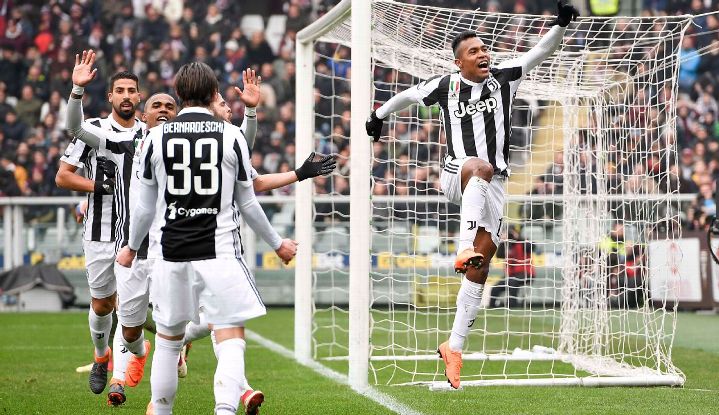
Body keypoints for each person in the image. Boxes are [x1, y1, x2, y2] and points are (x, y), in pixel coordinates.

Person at [365, 1, 579, 389]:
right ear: (459, 63)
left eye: (483, 49)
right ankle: (463, 247)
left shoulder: (505, 77)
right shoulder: (445, 85)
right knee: (478, 167)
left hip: (494, 186)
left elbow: (542, 51)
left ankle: (454, 347)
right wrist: (377, 115)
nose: (483, 54)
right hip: (457, 173)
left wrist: (561, 24)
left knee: (480, 269)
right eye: (473, 52)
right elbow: (408, 97)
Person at [116, 62, 297, 415]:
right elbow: (247, 201)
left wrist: (131, 248)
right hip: (220, 253)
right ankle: (225, 410)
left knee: (168, 343)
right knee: (230, 337)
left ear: (180, 94)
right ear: (214, 93)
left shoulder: (154, 138)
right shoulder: (231, 136)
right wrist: (277, 243)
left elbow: (143, 207)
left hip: (170, 253)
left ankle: (163, 409)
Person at [179, 69, 334, 413]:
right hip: (212, 245)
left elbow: (249, 175)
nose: (228, 106)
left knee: (210, 322)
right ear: (207, 101)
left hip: (180, 247)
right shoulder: (201, 139)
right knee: (222, 323)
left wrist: (298, 172)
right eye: (222, 101)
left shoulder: (208, 139)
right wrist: (278, 242)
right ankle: (223, 390)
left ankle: (234, 388)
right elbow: (249, 193)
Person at [57, 51, 144, 399]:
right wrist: (96, 186)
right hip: (99, 231)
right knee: (102, 304)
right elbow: (63, 177)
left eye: (131, 90)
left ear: (139, 96)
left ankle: (118, 380)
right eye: (119, 90)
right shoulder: (93, 129)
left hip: (136, 237)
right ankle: (101, 356)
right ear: (110, 96)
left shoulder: (150, 134)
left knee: (128, 306)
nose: (126, 96)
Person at [489, 227, 535, 308]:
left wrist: (518, 237)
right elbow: (499, 255)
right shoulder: (507, 245)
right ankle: (492, 306)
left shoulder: (523, 243)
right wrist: (504, 241)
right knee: (495, 288)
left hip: (526, 273)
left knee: (512, 282)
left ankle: (513, 305)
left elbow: (532, 247)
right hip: (511, 275)